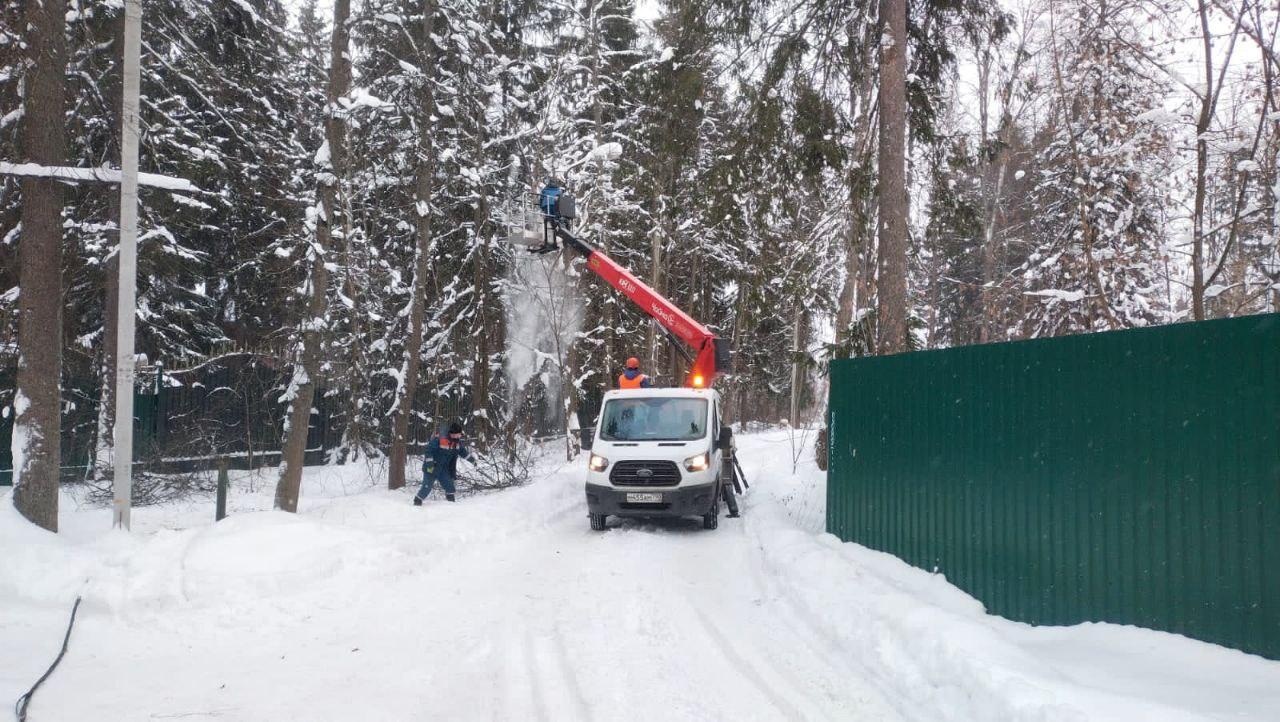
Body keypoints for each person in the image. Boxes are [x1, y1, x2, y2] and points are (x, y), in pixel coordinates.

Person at [414, 422, 470, 505]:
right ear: (452, 433)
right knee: (426, 487)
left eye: (460, 434)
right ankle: (417, 501)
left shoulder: (457, 442)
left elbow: (463, 452)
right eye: (457, 434)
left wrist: (473, 460)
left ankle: (451, 503)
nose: (459, 436)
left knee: (449, 486)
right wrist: (430, 464)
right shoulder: (439, 439)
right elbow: (429, 451)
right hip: (432, 467)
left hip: (443, 469)